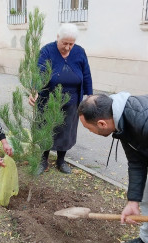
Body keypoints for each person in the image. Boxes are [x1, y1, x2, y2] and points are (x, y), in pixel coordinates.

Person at [78, 92, 148, 243]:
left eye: (88, 128)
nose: (89, 132)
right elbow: (136, 162)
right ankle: (146, 242)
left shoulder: (142, 121)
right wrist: (133, 201)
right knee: (145, 194)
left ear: (102, 124)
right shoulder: (121, 123)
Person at [29, 23, 93, 175]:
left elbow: (86, 74)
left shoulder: (79, 52)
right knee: (47, 129)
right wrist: (35, 90)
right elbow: (39, 72)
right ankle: (43, 161)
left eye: (71, 44)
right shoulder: (47, 51)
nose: (68, 47)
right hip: (48, 98)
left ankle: (61, 161)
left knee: (67, 131)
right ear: (58, 38)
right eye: (65, 43)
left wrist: (90, 95)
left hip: (72, 100)